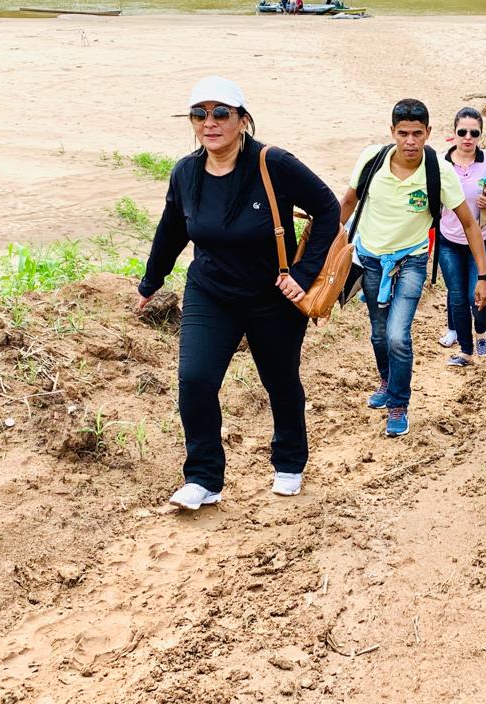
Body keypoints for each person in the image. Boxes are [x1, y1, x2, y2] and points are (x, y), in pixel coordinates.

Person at [136, 75, 340, 509]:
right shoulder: (186, 172)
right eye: (199, 114)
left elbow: (326, 209)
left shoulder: (273, 163)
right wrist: (151, 283)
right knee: (195, 380)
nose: (210, 123)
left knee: (280, 380)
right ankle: (203, 478)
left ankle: (289, 463)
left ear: (242, 120)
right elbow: (171, 229)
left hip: (274, 298)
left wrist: (302, 274)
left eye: (221, 113)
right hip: (210, 292)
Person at [339, 98, 486, 437]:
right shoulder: (371, 159)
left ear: (429, 133)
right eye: (403, 133)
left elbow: (469, 223)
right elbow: (348, 202)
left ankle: (398, 403)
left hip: (412, 260)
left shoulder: (439, 171)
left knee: (397, 335)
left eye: (417, 134)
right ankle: (386, 380)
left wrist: (483, 275)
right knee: (379, 334)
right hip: (369, 260)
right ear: (392, 132)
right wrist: (327, 248)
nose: (410, 141)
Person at [437, 107, 486, 366]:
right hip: (450, 241)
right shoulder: (439, 164)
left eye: (474, 132)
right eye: (462, 132)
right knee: (457, 296)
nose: (468, 137)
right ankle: (465, 350)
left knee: (481, 294)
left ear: (480, 135)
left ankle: (481, 331)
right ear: (454, 134)